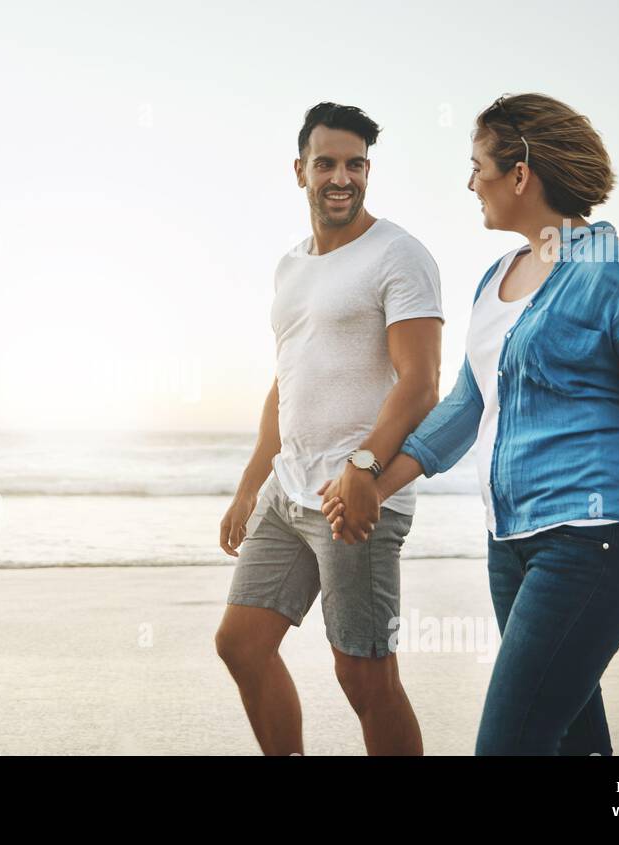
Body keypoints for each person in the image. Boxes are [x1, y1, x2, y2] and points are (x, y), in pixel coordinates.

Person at [323, 93, 619, 755]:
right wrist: (374, 480)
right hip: (509, 544)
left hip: (594, 543)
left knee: (509, 743)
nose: (470, 183)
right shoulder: (496, 279)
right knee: (572, 740)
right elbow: (466, 406)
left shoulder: (616, 273)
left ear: (520, 175)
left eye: (478, 166)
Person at [215, 102, 444, 755]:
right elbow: (286, 383)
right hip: (286, 495)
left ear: (368, 170)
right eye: (327, 163)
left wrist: (366, 465)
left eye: (355, 164)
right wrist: (248, 486)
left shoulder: (399, 254)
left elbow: (422, 381)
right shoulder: (290, 267)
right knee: (241, 645)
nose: (341, 177)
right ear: (300, 171)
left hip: (357, 499)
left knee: (365, 675)